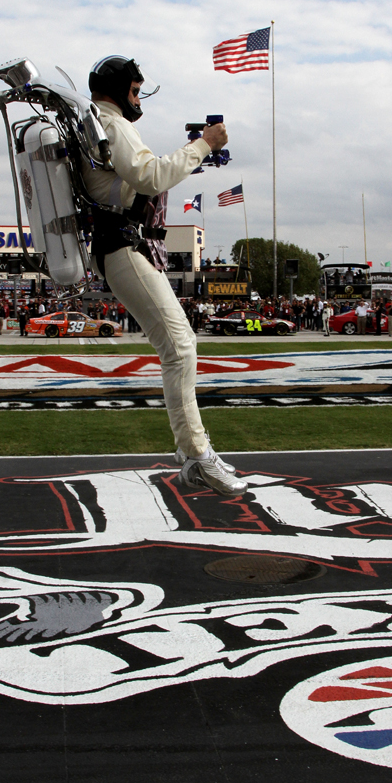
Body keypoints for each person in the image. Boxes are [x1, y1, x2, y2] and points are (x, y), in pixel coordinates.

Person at [83, 54, 245, 496]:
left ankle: (196, 454)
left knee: (180, 346)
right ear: (118, 90)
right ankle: (195, 457)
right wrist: (203, 145)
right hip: (120, 245)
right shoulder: (111, 123)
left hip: (118, 244)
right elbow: (150, 176)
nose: (139, 100)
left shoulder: (102, 121)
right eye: (135, 91)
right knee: (179, 348)